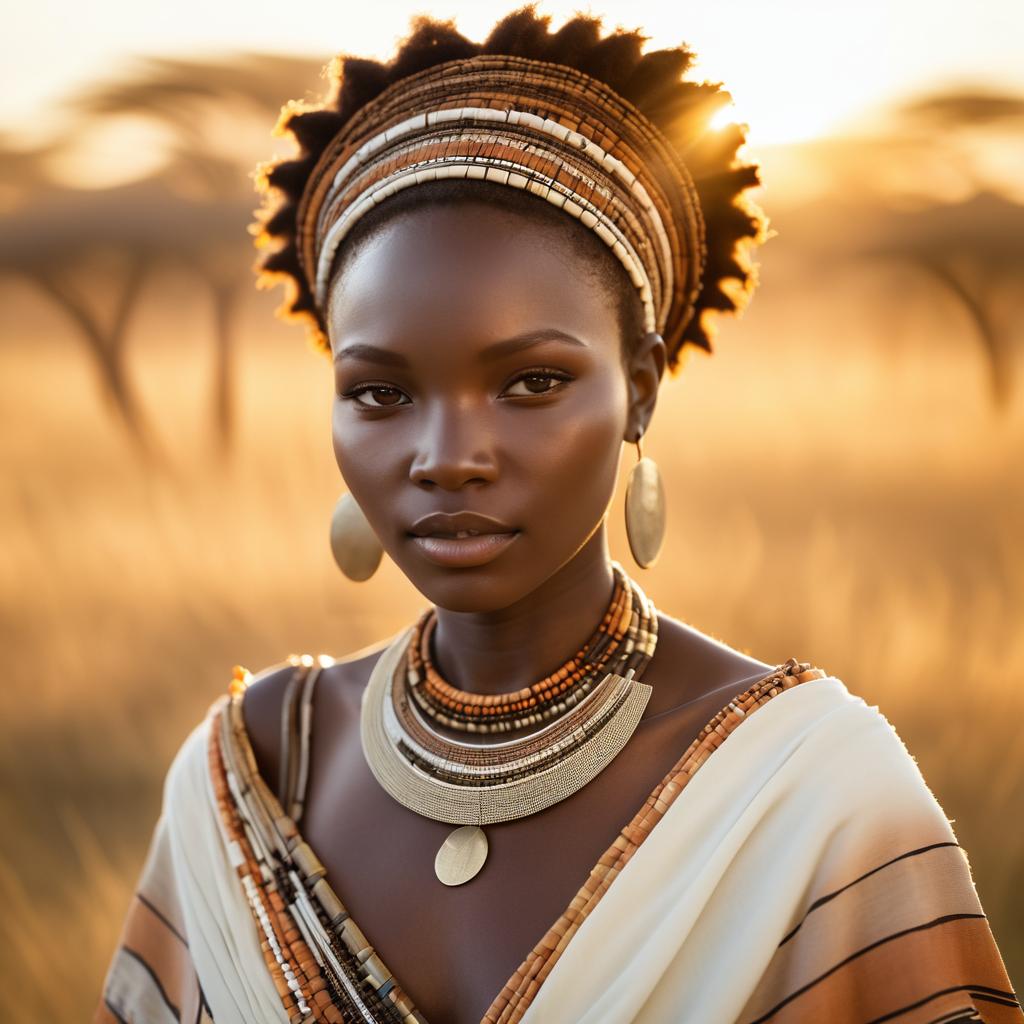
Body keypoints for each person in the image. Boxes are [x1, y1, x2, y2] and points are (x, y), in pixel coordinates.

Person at [96, 6, 1021, 1023]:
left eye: (531, 381)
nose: (447, 458)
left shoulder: (815, 794)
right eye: (380, 392)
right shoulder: (251, 771)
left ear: (641, 390)